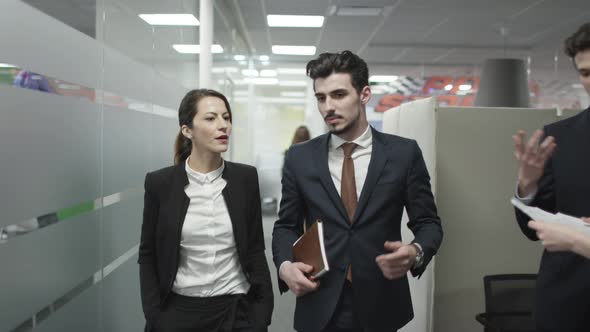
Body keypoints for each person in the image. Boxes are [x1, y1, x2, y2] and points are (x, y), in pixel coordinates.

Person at [272, 50, 443, 332]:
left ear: (364, 95)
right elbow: (286, 226)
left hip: (382, 303)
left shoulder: (403, 153)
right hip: (320, 300)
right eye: (321, 97)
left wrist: (415, 251)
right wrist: (285, 266)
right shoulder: (299, 158)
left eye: (338, 95)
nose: (328, 106)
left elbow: (429, 224)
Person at [138, 89, 273, 332]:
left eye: (226, 117)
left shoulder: (245, 178)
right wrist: (155, 315)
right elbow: (148, 254)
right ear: (187, 130)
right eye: (211, 118)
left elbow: (254, 248)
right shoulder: (160, 183)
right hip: (179, 314)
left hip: (237, 312)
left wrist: (261, 314)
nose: (224, 126)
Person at [512, 22, 590, 332]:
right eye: (585, 73)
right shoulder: (560, 138)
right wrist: (527, 185)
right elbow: (532, 228)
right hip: (567, 307)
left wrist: (577, 237)